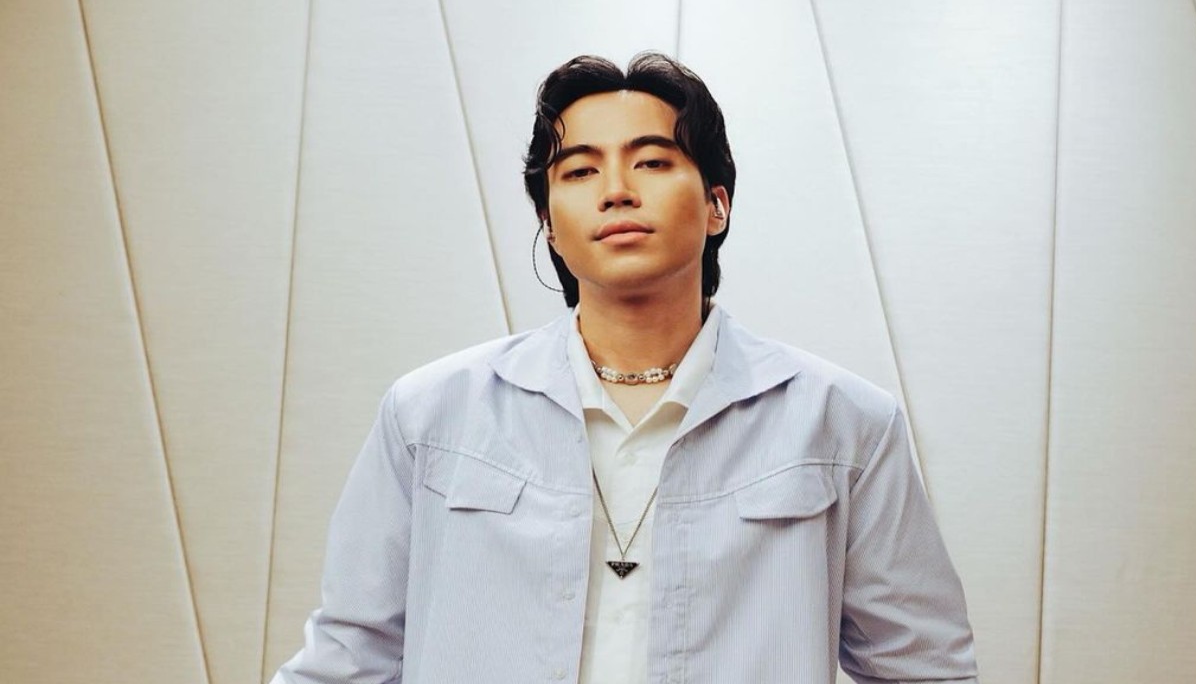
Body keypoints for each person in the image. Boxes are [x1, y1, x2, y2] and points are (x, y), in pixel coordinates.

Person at [272, 52, 979, 684]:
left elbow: (922, 667)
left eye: (652, 162)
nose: (615, 190)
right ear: (550, 224)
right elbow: (349, 660)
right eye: (580, 170)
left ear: (716, 205)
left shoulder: (843, 423)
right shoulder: (431, 414)